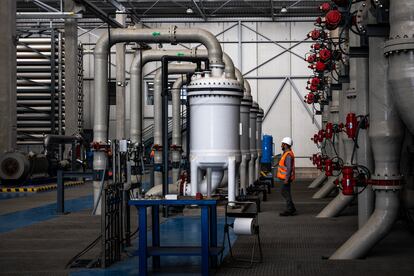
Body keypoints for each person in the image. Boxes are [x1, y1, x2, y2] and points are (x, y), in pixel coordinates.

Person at [277, 137, 297, 216]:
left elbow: (288, 168)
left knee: (285, 192)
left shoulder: (288, 155)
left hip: (286, 178)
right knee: (286, 192)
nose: (281, 145)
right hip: (285, 177)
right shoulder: (286, 153)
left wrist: (286, 179)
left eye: (282, 144)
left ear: (285, 145)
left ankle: (289, 210)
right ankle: (292, 208)